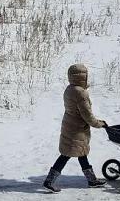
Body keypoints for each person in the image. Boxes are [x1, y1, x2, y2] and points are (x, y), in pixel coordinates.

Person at [43, 63, 107, 193]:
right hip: (77, 129)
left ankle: (92, 180)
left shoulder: (69, 89)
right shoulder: (80, 93)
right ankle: (49, 181)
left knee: (81, 154)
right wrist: (100, 124)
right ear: (83, 77)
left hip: (69, 124)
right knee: (66, 155)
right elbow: (87, 116)